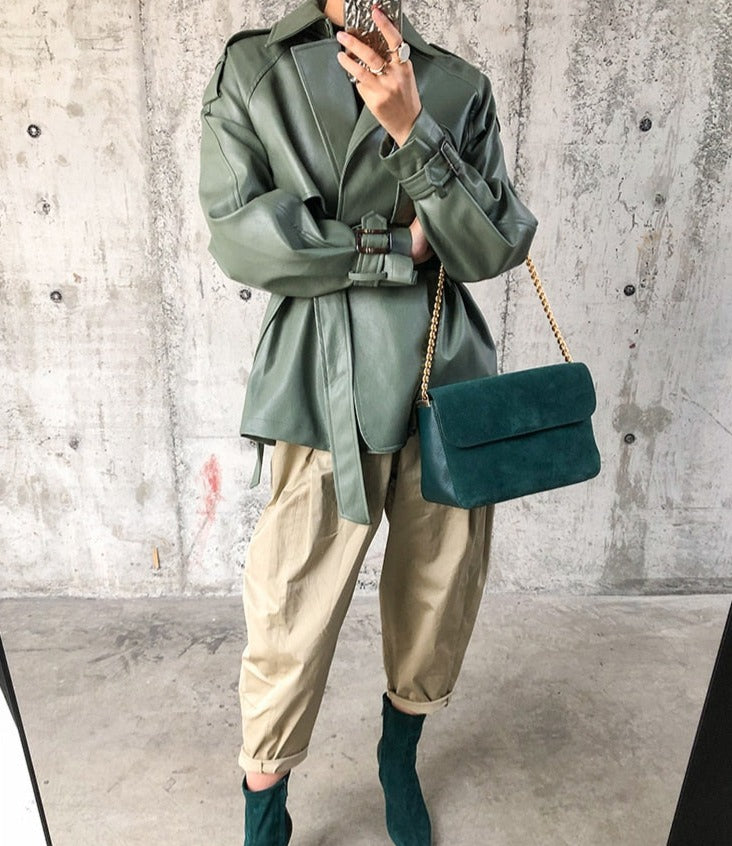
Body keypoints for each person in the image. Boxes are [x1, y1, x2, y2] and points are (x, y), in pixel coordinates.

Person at [198, 0, 538, 842]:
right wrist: (396, 249)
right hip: (319, 381)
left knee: (436, 594)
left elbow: (492, 245)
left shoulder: (457, 85)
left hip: (441, 379)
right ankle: (264, 808)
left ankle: (398, 756)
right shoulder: (255, 70)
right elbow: (243, 239)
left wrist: (413, 128)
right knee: (289, 608)